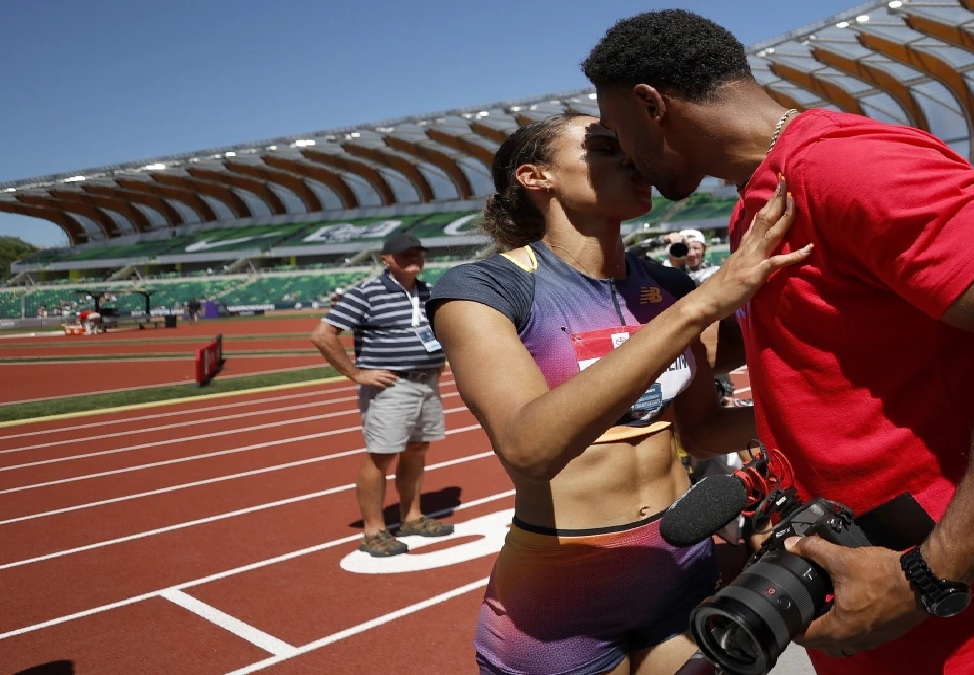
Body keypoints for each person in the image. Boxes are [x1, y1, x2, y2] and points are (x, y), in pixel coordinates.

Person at [583, 10, 974, 674]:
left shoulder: (845, 165)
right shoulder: (757, 203)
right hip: (882, 633)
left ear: (653, 106)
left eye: (617, 133)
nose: (624, 156)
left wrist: (929, 574)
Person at [426, 112, 811, 675]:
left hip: (683, 564)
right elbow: (529, 447)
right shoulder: (484, 289)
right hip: (562, 592)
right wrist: (703, 305)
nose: (631, 157)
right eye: (606, 147)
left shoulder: (667, 288)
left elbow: (701, 430)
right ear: (536, 177)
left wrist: (816, 420)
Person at [310, 232, 454, 558]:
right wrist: (356, 373)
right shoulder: (366, 293)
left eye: (418, 252)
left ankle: (412, 517)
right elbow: (322, 335)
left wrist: (437, 360)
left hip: (427, 383)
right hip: (390, 387)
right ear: (387, 260)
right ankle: (373, 530)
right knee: (381, 455)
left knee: (417, 450)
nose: (413, 258)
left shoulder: (427, 292)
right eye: (405, 254)